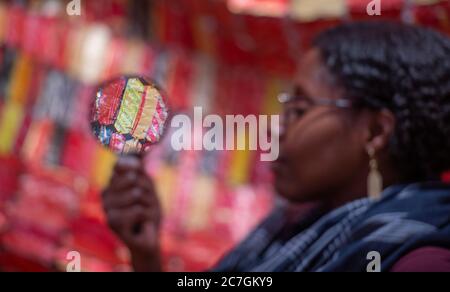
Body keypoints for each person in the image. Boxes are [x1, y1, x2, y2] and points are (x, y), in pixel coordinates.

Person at [102, 21, 450, 272]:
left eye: (300, 110)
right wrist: (146, 252)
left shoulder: (418, 260)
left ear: (375, 131)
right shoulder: (291, 225)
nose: (277, 129)